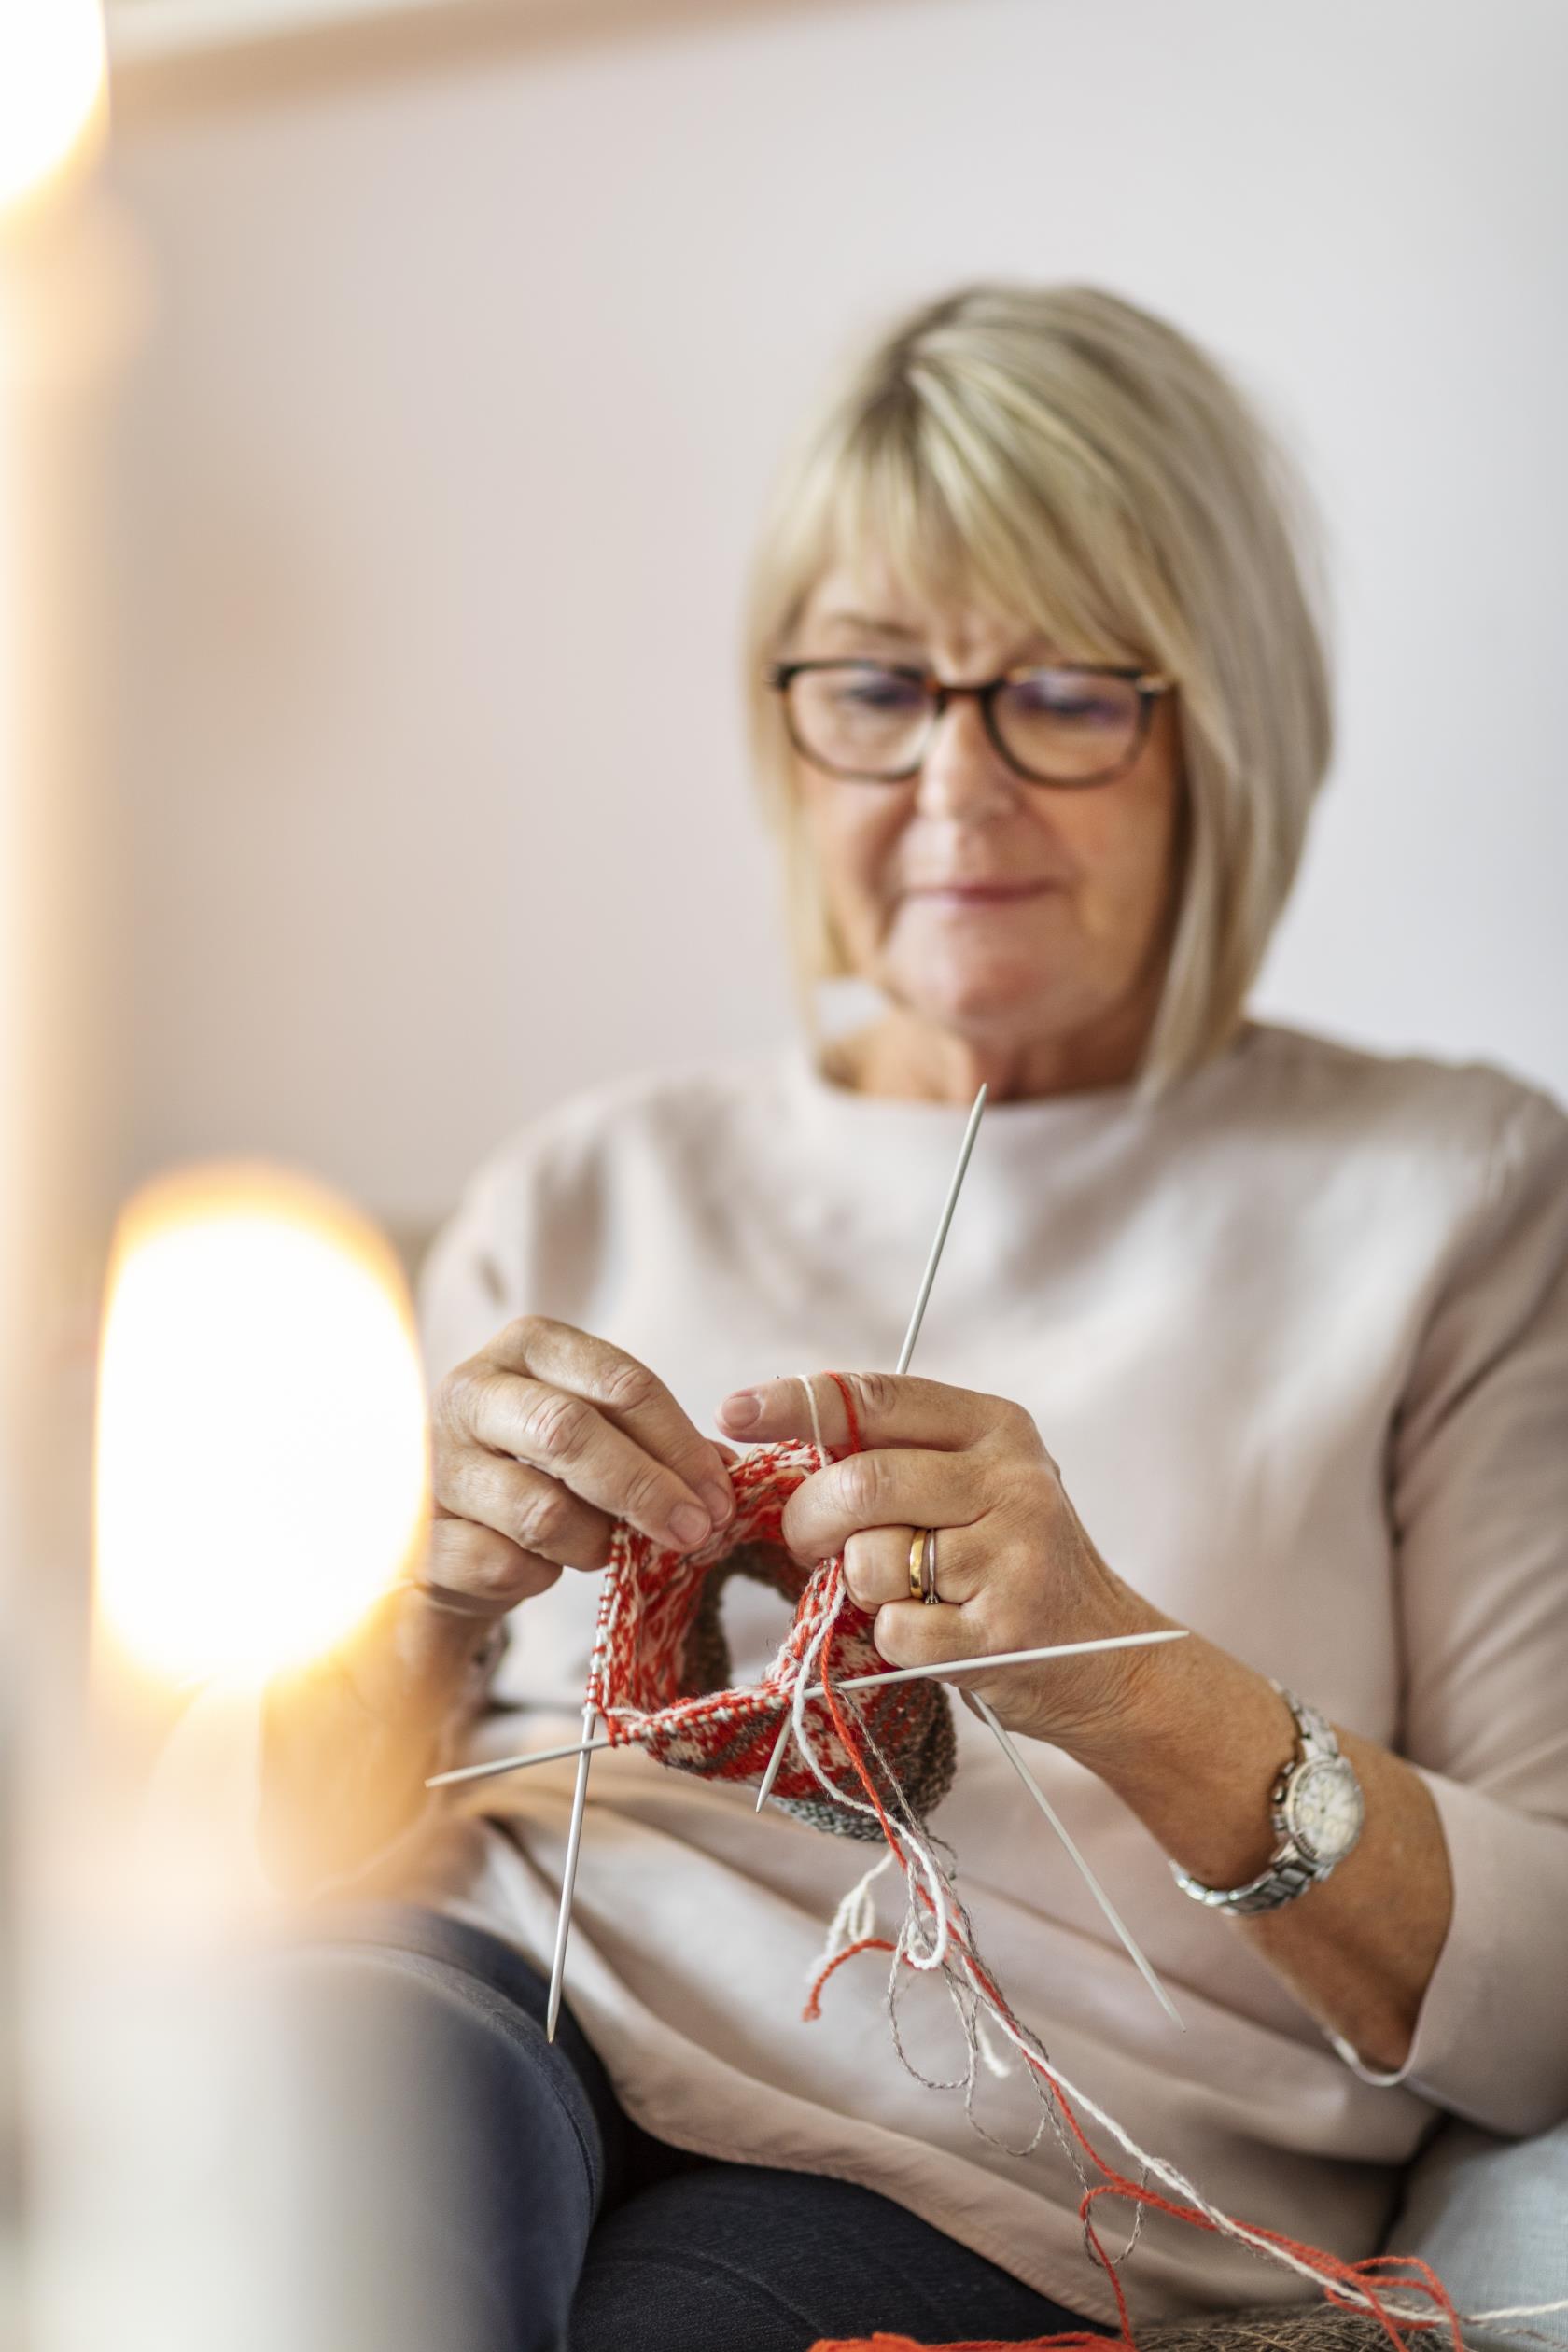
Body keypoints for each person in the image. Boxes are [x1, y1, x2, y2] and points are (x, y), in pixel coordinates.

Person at [263, 285, 1568, 2352]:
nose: (954, 789)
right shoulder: (584, 1182)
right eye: (876, 685)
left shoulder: (1461, 1198)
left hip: (998, 2159)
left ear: (1217, 721)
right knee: (296, 2186)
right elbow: (229, 1865)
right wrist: (407, 1606)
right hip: (498, 1983)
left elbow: (1551, 1992)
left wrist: (1133, 1683)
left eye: (1059, 692)